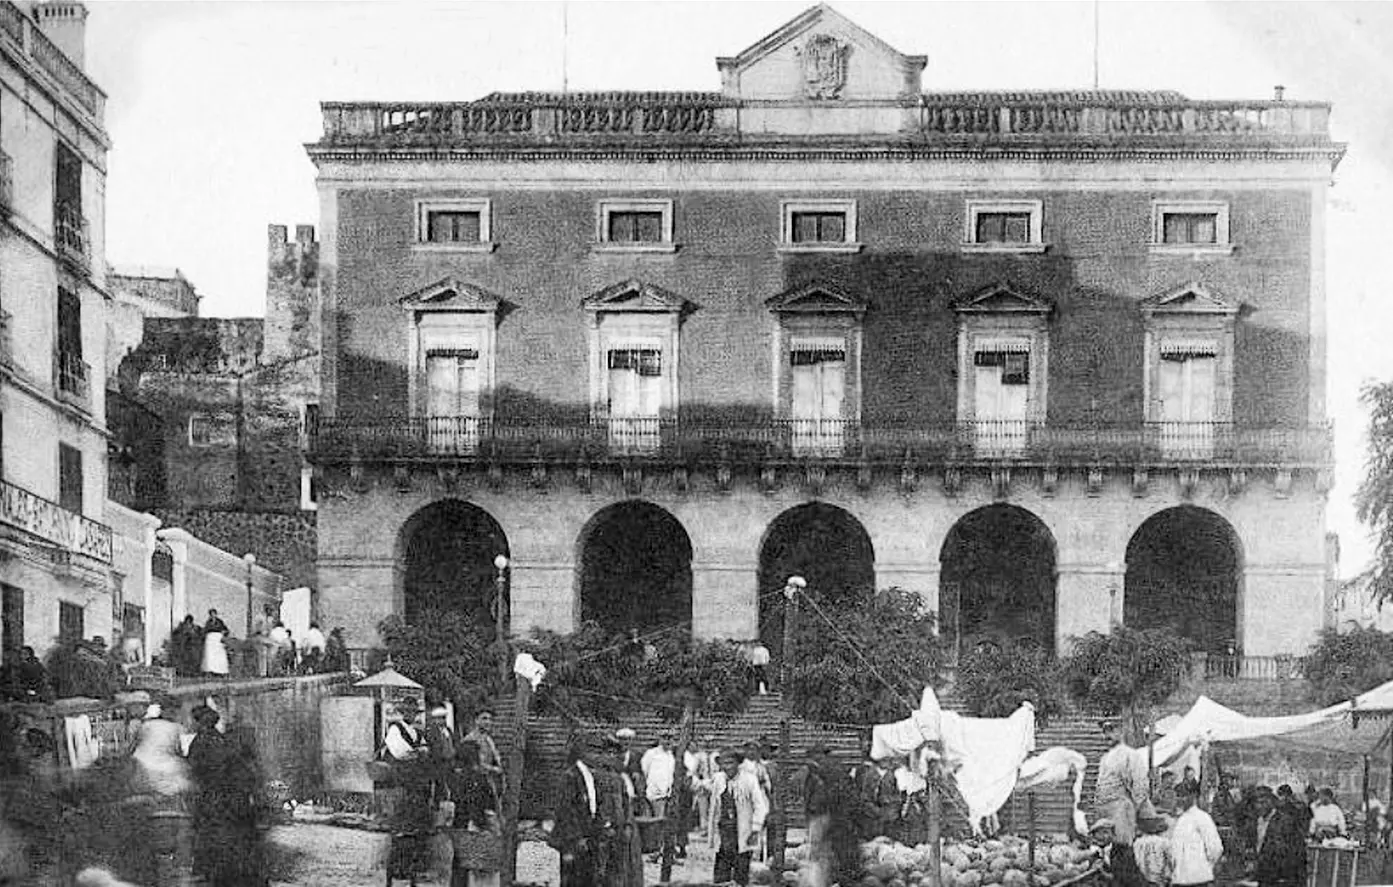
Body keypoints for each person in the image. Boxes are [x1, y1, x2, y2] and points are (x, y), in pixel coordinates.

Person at [187, 704, 266, 886]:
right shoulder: (223, 742)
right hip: (231, 801)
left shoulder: (201, 742)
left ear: (199, 722)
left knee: (215, 843)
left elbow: (193, 770)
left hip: (213, 800)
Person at [551, 735, 605, 887]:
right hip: (573, 838)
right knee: (572, 878)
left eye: (599, 752)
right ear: (582, 752)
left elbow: (595, 805)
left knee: (588, 877)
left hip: (589, 835)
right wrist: (576, 837)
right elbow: (565, 810)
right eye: (592, 751)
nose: (596, 755)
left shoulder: (592, 775)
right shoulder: (571, 776)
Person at [709, 750, 767, 886]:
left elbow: (760, 806)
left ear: (738, 764)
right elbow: (713, 801)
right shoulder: (718, 779)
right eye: (724, 763)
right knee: (722, 872)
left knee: (741, 870)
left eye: (730, 763)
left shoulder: (749, 780)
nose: (727, 767)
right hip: (724, 831)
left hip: (742, 830)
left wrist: (755, 828)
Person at [802, 745, 858, 887]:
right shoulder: (813, 773)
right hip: (819, 815)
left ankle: (823, 880)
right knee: (818, 849)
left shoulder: (829, 772)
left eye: (817, 754)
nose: (814, 758)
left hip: (828, 815)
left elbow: (835, 794)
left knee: (822, 849)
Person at [449, 740, 501, 887]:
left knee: (460, 863)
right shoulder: (476, 776)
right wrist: (483, 824)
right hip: (475, 824)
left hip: (461, 823)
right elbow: (477, 802)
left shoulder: (456, 775)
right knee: (478, 864)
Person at [596, 736, 643, 887]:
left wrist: (628, 824)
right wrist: (605, 825)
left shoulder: (620, 779)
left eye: (615, 754)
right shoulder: (595, 778)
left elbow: (626, 804)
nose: (611, 757)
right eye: (608, 753)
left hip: (622, 827)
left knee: (624, 866)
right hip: (604, 829)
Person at [1096, 719, 1150, 844]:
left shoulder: (1131, 755)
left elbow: (1140, 785)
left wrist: (1132, 809)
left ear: (1121, 731)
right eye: (1104, 732)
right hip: (1104, 811)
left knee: (1122, 846)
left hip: (1122, 809)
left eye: (1111, 730)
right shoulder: (1104, 758)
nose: (1107, 735)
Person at [1171, 779, 1223, 887]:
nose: (1181, 799)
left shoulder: (1202, 817)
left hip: (1198, 879)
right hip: (1179, 879)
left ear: (1193, 796)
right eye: (1178, 796)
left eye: (1184, 795)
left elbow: (1215, 848)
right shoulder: (1179, 820)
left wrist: (1205, 867)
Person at [1253, 788, 1306, 887]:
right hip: (1264, 874)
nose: (1259, 806)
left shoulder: (1285, 821)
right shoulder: (1257, 821)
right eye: (1257, 803)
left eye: (1263, 802)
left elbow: (1295, 851)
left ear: (1271, 802)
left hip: (1281, 876)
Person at [851, 746, 899, 841]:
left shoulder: (894, 774)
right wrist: (874, 810)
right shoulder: (867, 773)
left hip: (889, 817)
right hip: (870, 815)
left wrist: (890, 808)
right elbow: (864, 795)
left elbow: (897, 796)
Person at [1091, 818, 1146, 887]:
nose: (1101, 836)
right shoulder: (1093, 854)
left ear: (1113, 835)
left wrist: (1104, 874)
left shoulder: (1123, 851)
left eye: (1105, 832)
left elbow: (1127, 877)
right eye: (1098, 833)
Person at [464, 709, 504, 805]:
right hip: (476, 785)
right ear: (476, 721)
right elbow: (474, 764)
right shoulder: (470, 740)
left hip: (489, 782)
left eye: (490, 719)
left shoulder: (488, 739)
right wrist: (494, 769)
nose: (488, 722)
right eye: (484, 719)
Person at [1132, 805, 1174, 887]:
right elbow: (1171, 861)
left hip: (1141, 881)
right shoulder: (1164, 842)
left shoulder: (1137, 842)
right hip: (1159, 880)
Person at [641, 732, 677, 822]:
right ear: (660, 739)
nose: (667, 741)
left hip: (668, 794)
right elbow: (644, 770)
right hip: (654, 794)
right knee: (655, 822)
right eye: (665, 738)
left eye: (670, 738)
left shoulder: (671, 755)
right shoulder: (651, 753)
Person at [200, 610, 230, 677]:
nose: (213, 615)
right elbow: (205, 630)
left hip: (217, 639)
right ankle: (209, 670)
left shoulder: (220, 622)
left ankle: (221, 671)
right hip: (210, 640)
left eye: (214, 614)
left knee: (219, 655)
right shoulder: (208, 622)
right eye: (211, 614)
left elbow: (226, 629)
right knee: (210, 655)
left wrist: (223, 633)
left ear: (216, 614)